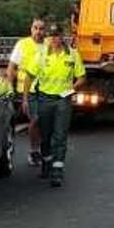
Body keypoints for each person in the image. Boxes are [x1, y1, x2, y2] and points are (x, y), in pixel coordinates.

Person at [22, 24, 86, 187]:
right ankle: (46, 162)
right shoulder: (41, 55)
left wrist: (72, 89)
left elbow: (81, 77)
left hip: (63, 100)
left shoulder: (72, 55)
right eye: (51, 36)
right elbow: (29, 77)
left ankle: (57, 170)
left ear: (62, 36)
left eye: (57, 35)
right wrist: (25, 99)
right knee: (45, 134)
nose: (54, 39)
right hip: (45, 99)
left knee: (60, 135)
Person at [7, 17, 46, 166]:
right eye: (35, 28)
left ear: (45, 31)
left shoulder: (49, 45)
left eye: (41, 28)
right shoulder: (22, 44)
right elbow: (11, 68)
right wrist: (10, 88)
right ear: (31, 29)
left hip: (46, 90)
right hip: (27, 91)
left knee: (45, 121)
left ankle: (44, 149)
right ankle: (34, 151)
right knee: (36, 119)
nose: (38, 31)